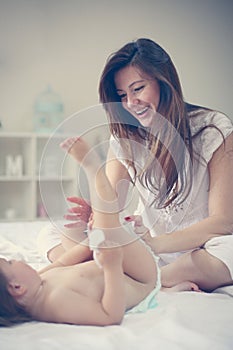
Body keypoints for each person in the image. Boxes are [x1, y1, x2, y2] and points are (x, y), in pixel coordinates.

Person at [39, 38, 233, 293]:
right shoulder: (125, 138)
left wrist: (155, 244)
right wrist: (96, 215)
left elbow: (224, 222)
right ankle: (152, 281)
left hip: (200, 248)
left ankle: (139, 281)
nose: (130, 103)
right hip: (148, 249)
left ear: (165, 83)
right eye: (122, 95)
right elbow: (111, 207)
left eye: (138, 89)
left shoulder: (213, 129)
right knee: (52, 232)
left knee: (229, 251)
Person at [0, 136, 161, 327]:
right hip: (139, 278)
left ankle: (102, 222)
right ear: (17, 288)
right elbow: (109, 316)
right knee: (106, 227)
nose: (16, 260)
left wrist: (91, 241)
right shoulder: (56, 303)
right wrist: (112, 267)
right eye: (10, 262)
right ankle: (93, 168)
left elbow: (63, 261)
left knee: (70, 232)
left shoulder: (39, 282)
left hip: (115, 265)